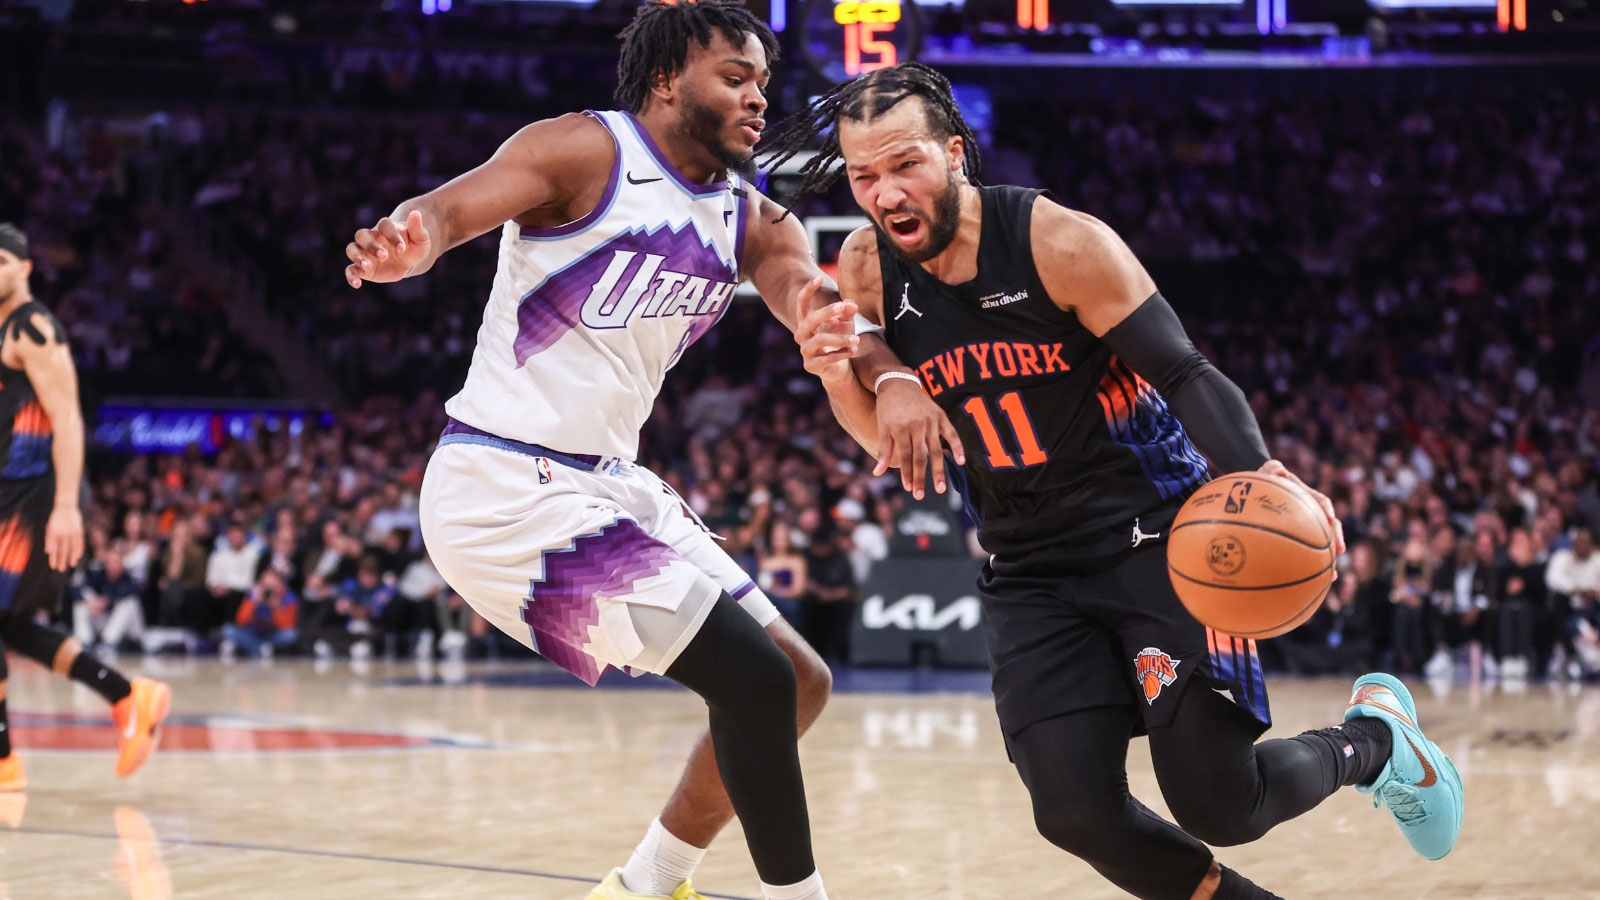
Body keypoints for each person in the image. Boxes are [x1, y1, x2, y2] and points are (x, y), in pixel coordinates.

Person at [766, 64, 1464, 900]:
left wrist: (1261, 472)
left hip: (1158, 538)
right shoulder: (867, 264)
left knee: (1220, 804)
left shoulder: (1058, 242)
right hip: (1028, 563)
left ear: (955, 154)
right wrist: (861, 377)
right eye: (863, 173)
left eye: (904, 163)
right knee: (1073, 812)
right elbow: (883, 424)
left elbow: (1184, 370)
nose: (883, 191)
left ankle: (1375, 744)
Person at [340, 6, 953, 900]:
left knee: (796, 680)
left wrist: (873, 363)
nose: (758, 99)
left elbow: (812, 301)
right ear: (669, 80)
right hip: (499, 488)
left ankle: (646, 883)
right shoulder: (588, 150)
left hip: (608, 483)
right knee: (749, 678)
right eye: (735, 78)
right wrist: (413, 238)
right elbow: (453, 209)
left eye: (763, 83)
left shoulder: (753, 217)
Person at [0, 223, 170, 792]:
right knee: (15, 627)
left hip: (35, 497)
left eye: (2, 261)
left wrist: (67, 505)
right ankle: (127, 696)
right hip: (10, 495)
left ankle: (3, 760)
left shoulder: (35, 327)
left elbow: (68, 417)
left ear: (25, 268)